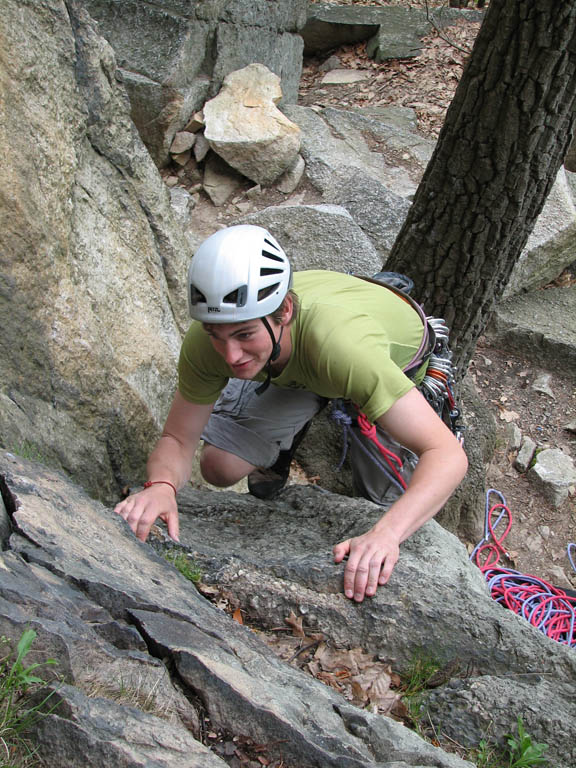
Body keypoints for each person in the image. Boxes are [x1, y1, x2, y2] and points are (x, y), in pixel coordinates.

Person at [115, 224, 467, 602]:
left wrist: (387, 534)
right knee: (219, 467)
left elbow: (446, 455)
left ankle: (330, 388)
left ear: (284, 310)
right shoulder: (210, 342)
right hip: (296, 359)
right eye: (218, 336)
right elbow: (178, 439)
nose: (230, 356)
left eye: (244, 335)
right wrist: (161, 487)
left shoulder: (342, 348)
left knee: (385, 503)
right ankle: (301, 414)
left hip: (369, 359)